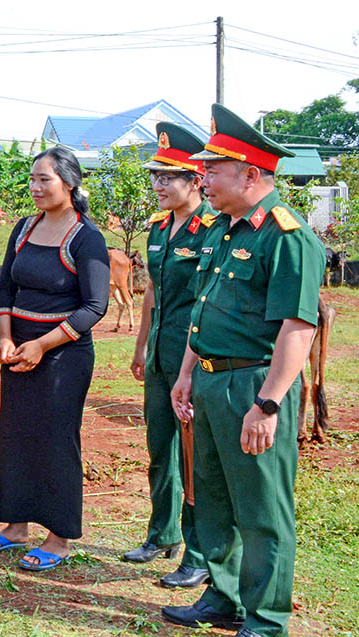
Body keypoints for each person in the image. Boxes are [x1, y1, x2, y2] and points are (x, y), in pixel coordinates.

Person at [163, 104, 324, 636]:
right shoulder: (222, 230)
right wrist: (187, 373)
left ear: (250, 174)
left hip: (253, 384)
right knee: (212, 495)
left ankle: (266, 615)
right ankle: (223, 596)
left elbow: (297, 330)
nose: (202, 178)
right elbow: (201, 310)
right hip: (208, 379)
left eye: (213, 170)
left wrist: (270, 402)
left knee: (259, 504)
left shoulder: (287, 236)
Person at [0, 147, 109, 571]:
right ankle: (15, 527)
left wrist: (42, 345)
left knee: (55, 441)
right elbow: (7, 288)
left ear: (69, 183)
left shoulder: (87, 237)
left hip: (62, 356)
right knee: (15, 436)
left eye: (44, 180)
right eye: (32, 179)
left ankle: (58, 536)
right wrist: (4, 335)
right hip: (17, 351)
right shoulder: (23, 228)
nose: (35, 187)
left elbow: (94, 306)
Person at [124, 123, 212, 588]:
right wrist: (141, 345)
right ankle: (163, 533)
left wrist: (188, 363)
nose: (159, 185)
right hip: (160, 354)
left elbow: (208, 303)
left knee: (196, 457)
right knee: (161, 448)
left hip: (196, 358)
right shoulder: (158, 229)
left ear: (196, 179)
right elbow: (153, 292)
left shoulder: (213, 232)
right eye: (155, 176)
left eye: (168, 177)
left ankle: (198, 553)